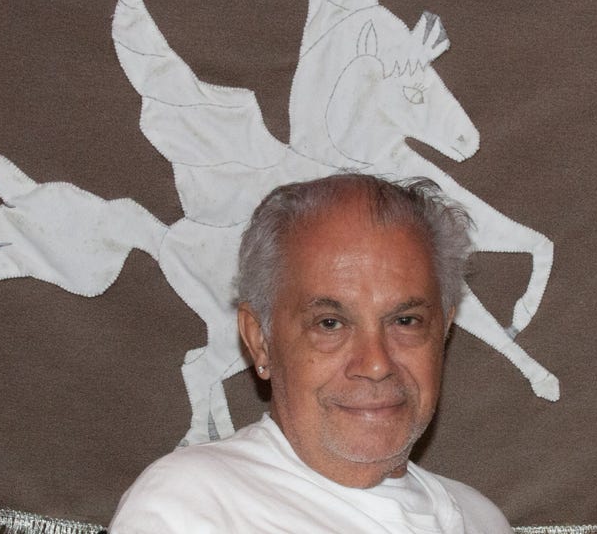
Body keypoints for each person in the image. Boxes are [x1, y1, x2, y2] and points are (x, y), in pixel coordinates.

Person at [109, 173, 512, 533]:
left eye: (405, 321)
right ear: (260, 340)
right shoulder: (188, 508)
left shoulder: (482, 519)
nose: (375, 364)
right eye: (330, 324)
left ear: (443, 331)